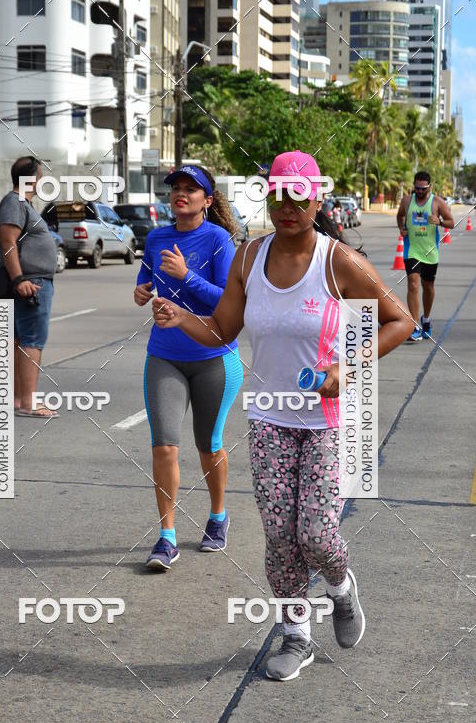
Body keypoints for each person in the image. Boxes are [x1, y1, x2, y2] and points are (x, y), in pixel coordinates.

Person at [152, 150, 413, 679]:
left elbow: (400, 320)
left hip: (329, 420)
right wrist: (182, 317)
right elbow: (223, 330)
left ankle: (341, 588)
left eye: (299, 195)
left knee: (315, 533)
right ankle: (297, 635)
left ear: (316, 198)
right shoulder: (249, 258)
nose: (288, 206)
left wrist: (348, 366)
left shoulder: (338, 260)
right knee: (279, 535)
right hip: (270, 419)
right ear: (267, 197)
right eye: (278, 195)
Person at [134, 165, 244, 571]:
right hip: (164, 354)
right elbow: (147, 279)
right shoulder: (157, 237)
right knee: (164, 445)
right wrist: (142, 290)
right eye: (176, 189)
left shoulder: (218, 240)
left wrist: (187, 276)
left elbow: (226, 304)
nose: (181, 195)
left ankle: (218, 516)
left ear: (207, 200)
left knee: (208, 446)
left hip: (214, 357)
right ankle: (167, 537)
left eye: (191, 190)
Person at [0, 156, 59, 418]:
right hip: (30, 282)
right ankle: (29, 402)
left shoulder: (23, 204)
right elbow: (8, 241)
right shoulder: (14, 202)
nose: (42, 180)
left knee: (20, 340)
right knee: (32, 340)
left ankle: (19, 400)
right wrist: (19, 279)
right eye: (39, 176)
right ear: (30, 178)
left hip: (31, 280)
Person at [396, 170, 454, 342]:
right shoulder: (407, 200)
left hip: (430, 252)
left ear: (430, 187)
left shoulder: (437, 202)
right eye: (417, 188)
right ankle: (415, 325)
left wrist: (440, 222)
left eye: (423, 189)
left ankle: (426, 320)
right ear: (413, 186)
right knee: (413, 284)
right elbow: (400, 216)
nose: (420, 192)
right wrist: (401, 227)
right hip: (411, 250)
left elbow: (451, 222)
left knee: (428, 287)